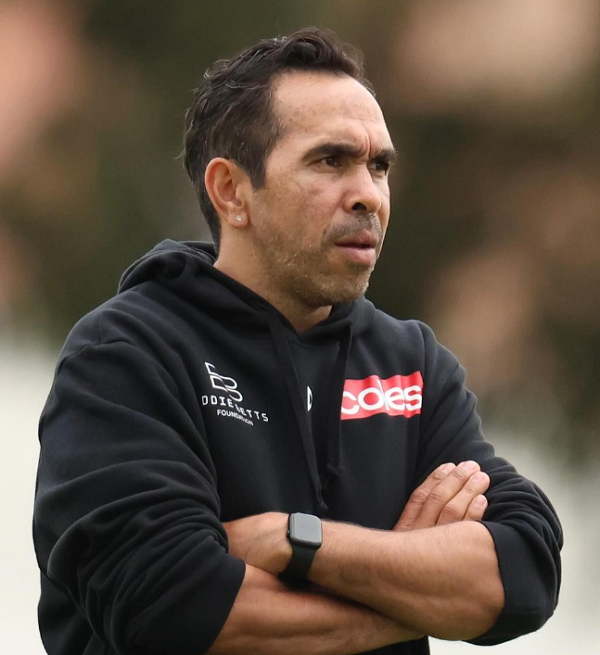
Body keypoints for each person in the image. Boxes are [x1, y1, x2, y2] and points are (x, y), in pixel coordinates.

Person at [33, 27, 562, 655]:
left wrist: (295, 541)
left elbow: (525, 572)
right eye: (330, 161)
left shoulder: (411, 363)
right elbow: (171, 605)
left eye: (379, 166)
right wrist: (418, 595)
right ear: (231, 191)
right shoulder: (125, 354)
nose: (368, 195)